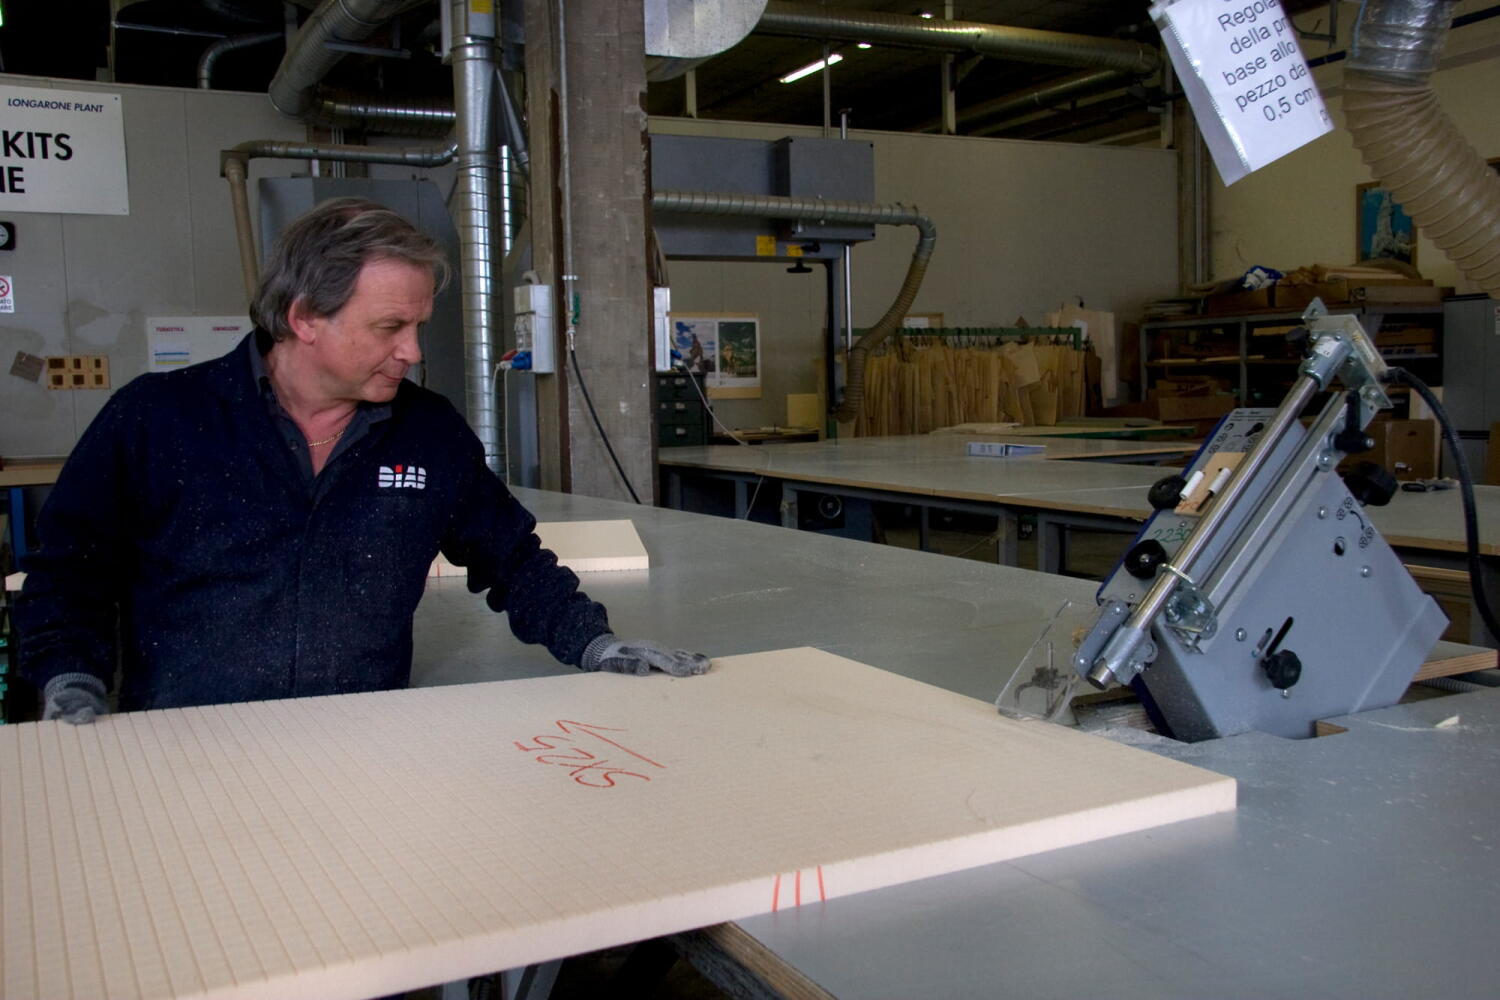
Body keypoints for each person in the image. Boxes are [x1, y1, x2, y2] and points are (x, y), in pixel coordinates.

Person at [18, 197, 708, 724]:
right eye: (389, 328)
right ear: (304, 317)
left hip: (361, 742)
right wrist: (68, 678)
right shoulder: (159, 418)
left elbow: (513, 559)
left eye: (417, 327)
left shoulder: (427, 432)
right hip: (183, 742)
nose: (412, 351)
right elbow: (68, 571)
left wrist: (593, 643)